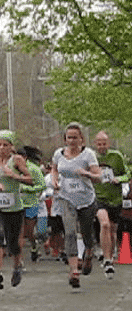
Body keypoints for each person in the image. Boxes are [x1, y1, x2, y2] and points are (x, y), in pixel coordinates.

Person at [51, 122, 101, 288]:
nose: (72, 141)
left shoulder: (88, 155)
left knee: (86, 232)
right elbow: (54, 169)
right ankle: (73, 271)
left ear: (81, 139)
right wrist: (54, 180)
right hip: (66, 198)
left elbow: (98, 176)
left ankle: (89, 252)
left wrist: (85, 173)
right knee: (70, 232)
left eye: (75, 137)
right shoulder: (59, 154)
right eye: (69, 137)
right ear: (65, 139)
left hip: (86, 200)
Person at [0, 130, 32, 289]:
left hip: (14, 207)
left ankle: (17, 266)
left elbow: (30, 180)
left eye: (5, 145)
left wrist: (14, 176)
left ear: (12, 146)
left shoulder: (17, 160)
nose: (1, 148)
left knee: (13, 243)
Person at [93, 131, 129, 279]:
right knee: (105, 224)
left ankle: (111, 254)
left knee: (112, 231)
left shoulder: (116, 156)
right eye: (99, 144)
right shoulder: (91, 158)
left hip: (115, 199)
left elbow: (127, 174)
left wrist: (119, 179)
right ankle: (107, 259)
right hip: (98, 197)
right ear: (95, 144)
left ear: (109, 143)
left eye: (104, 143)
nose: (102, 147)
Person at [17, 146, 47, 262]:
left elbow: (42, 185)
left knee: (29, 231)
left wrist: (27, 189)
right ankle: (19, 260)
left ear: (25, 157)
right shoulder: (11, 168)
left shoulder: (34, 169)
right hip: (16, 204)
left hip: (31, 204)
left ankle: (34, 246)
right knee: (19, 232)